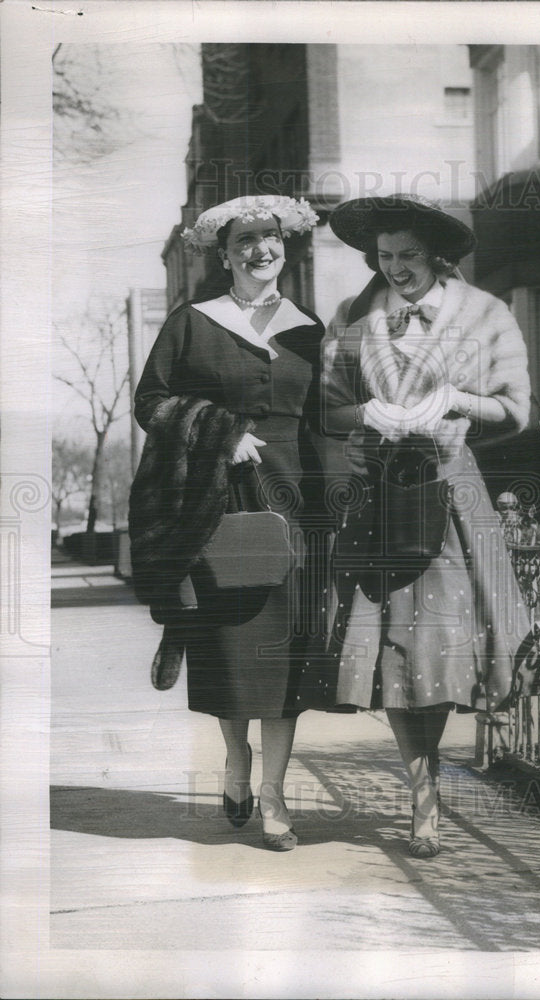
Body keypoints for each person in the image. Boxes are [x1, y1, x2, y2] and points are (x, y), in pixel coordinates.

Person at [314, 194, 532, 858]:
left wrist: (454, 400)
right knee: (395, 659)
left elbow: (516, 409)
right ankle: (422, 799)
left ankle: (426, 795)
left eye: (408, 255)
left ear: (438, 255)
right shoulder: (353, 323)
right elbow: (326, 412)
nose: (396, 269)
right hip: (380, 500)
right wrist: (366, 418)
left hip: (448, 497)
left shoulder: (486, 316)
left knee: (438, 652)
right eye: (383, 257)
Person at [130, 195, 325, 852]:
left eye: (270, 238)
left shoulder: (308, 330)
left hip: (294, 502)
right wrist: (218, 431)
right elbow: (150, 401)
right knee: (230, 649)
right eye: (244, 240)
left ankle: (273, 795)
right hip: (216, 497)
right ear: (224, 254)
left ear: (286, 247)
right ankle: (236, 759)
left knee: (285, 658)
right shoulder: (192, 322)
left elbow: (329, 420)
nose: (259, 250)